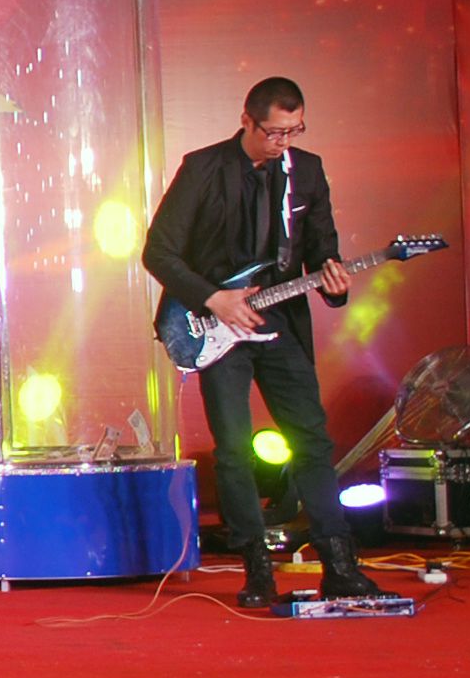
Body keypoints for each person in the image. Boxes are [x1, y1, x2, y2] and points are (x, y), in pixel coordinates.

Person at [144, 78, 385, 606]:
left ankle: (339, 564)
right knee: (233, 451)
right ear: (247, 122)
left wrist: (334, 281)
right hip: (217, 324)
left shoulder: (307, 171)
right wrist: (215, 299)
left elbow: (323, 249)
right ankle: (256, 569)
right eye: (275, 132)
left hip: (282, 323)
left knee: (313, 442)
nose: (283, 142)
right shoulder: (203, 168)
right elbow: (158, 252)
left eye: (294, 131)